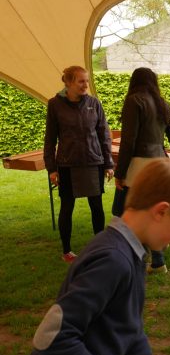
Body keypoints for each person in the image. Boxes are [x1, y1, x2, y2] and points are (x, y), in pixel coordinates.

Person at [23, 158, 170, 355]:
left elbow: (130, 329)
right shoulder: (113, 260)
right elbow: (51, 337)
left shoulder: (131, 253)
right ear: (161, 211)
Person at [112, 67, 170, 274]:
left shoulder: (134, 101)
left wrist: (120, 173)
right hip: (159, 162)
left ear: (134, 81)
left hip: (139, 164)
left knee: (131, 213)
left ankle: (140, 261)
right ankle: (157, 261)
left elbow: (128, 141)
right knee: (152, 213)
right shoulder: (162, 104)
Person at [43, 65, 114, 263]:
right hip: (67, 165)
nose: (86, 85)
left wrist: (108, 163)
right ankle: (66, 251)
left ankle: (99, 248)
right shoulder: (55, 105)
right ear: (68, 82)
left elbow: (104, 135)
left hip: (93, 162)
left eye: (87, 80)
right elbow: (50, 139)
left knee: (96, 206)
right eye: (81, 81)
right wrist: (52, 169)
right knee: (67, 207)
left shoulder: (94, 103)